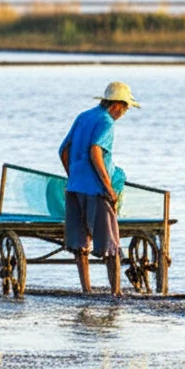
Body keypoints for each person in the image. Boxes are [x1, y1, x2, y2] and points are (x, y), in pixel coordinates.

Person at [58, 81, 140, 297]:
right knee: (111, 244)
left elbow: (63, 150)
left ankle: (87, 290)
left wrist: (74, 176)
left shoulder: (84, 116)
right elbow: (95, 152)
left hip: (75, 188)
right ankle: (116, 292)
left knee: (80, 244)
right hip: (96, 191)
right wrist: (108, 188)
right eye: (125, 108)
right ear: (117, 105)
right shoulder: (106, 122)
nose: (124, 113)